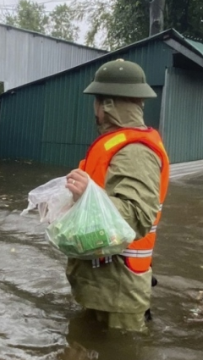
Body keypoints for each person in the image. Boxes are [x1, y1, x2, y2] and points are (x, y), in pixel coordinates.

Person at [63, 59, 170, 332]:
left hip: (119, 286)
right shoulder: (117, 144)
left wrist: (87, 195)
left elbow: (136, 216)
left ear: (107, 105)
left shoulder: (135, 151)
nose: (95, 109)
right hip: (105, 282)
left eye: (96, 102)